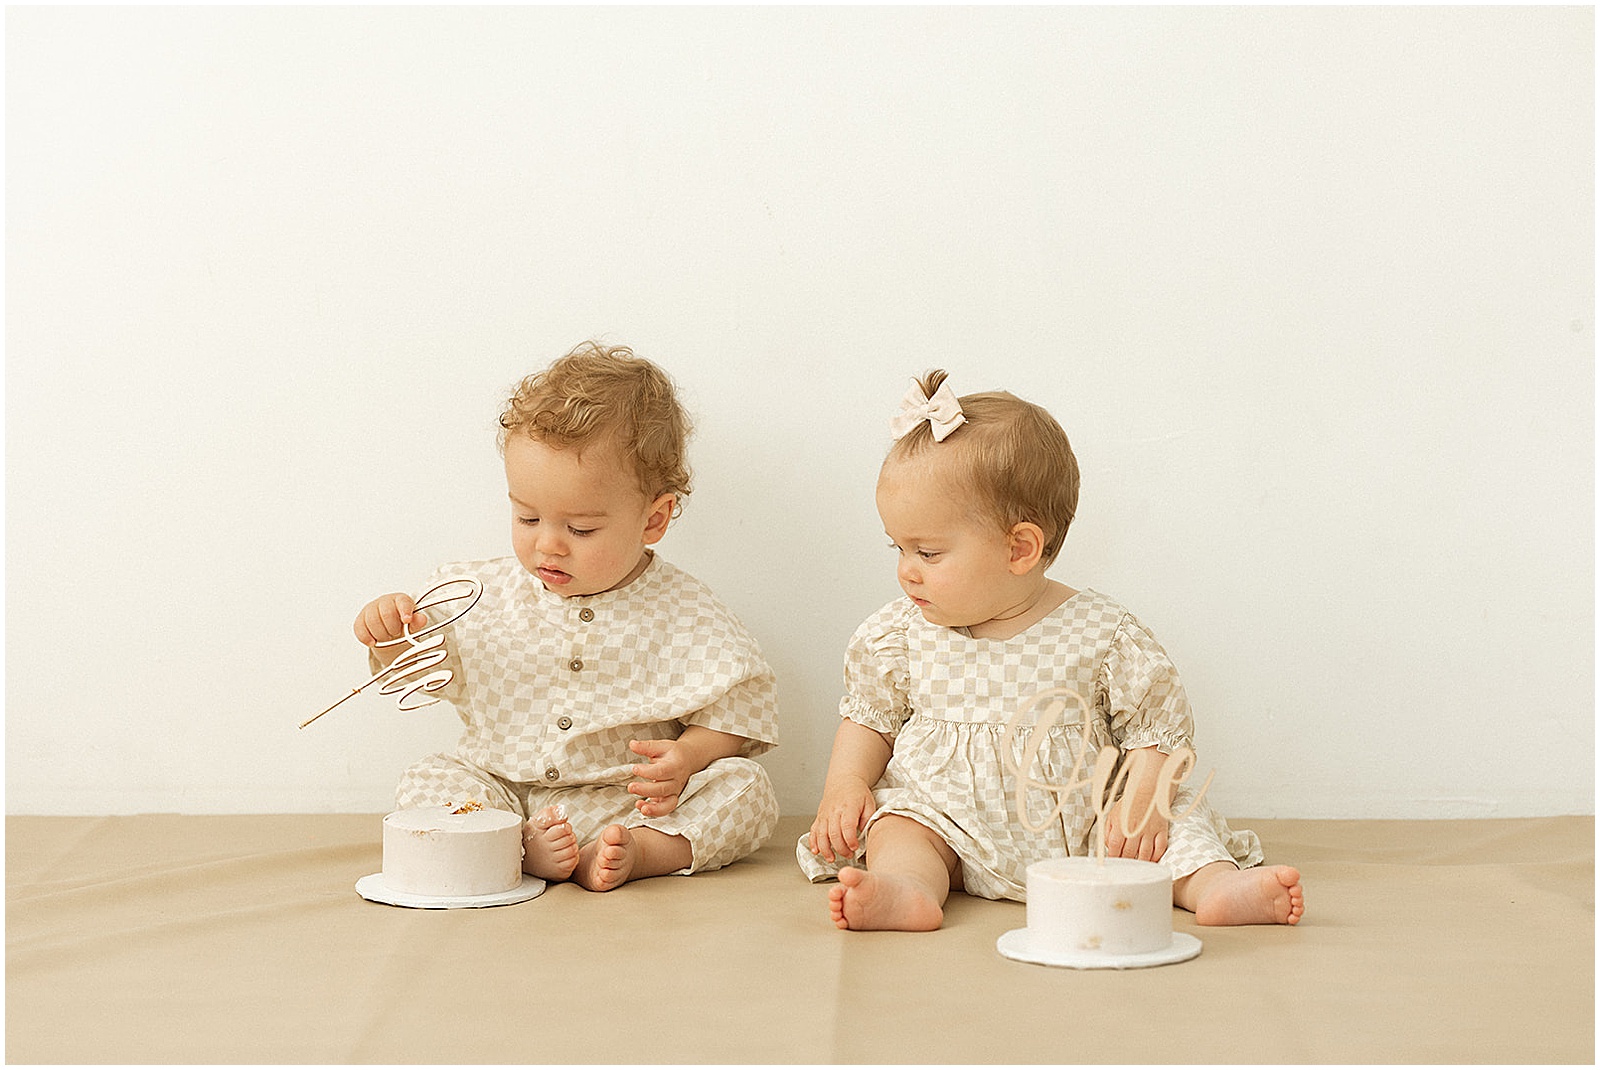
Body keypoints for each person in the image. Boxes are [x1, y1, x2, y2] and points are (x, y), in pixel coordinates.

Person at [799, 371, 1304, 931]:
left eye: (929, 552)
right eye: (899, 548)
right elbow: (869, 719)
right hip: (949, 821)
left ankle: (1215, 885)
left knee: (1174, 820)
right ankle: (908, 887)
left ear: (1020, 548)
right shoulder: (898, 635)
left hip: (1085, 822)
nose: (906, 572)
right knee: (898, 825)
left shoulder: (1102, 631)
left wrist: (1144, 798)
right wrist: (845, 783)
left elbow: (1155, 727)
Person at [357, 341, 780, 892]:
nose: (548, 546)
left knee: (745, 787)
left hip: (619, 805)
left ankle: (642, 854)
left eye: (580, 529)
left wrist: (688, 756)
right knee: (429, 778)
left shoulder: (686, 611)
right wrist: (388, 637)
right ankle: (514, 846)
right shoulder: (480, 595)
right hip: (499, 794)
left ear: (654, 520)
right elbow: (417, 672)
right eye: (527, 517)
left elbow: (741, 711)